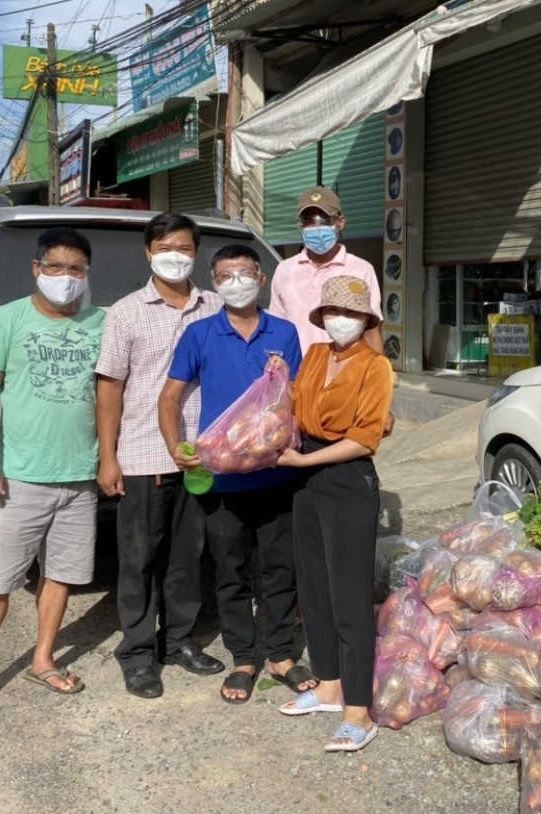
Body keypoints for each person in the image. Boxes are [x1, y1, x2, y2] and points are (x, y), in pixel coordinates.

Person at [0, 227, 102, 719]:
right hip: (21, 476)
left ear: (86, 275)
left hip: (80, 477)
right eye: (55, 267)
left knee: (61, 574)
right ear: (36, 269)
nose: (65, 277)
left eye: (75, 269)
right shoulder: (6, 320)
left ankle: (43, 657)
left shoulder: (102, 322)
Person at [158, 244, 316, 705]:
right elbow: (170, 398)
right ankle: (243, 657)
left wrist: (287, 379)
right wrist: (176, 447)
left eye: (243, 274)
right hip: (223, 479)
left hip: (276, 475)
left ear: (261, 279)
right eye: (225, 276)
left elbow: (299, 398)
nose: (235, 283)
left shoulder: (284, 332)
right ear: (214, 282)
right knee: (229, 572)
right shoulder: (200, 333)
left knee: (280, 568)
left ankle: (282, 655)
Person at [95, 212, 225, 700]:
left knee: (188, 557)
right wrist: (108, 457)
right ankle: (136, 652)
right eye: (166, 247)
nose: (176, 256)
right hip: (145, 454)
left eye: (186, 248)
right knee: (140, 558)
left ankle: (179, 642)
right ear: (148, 253)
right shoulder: (125, 312)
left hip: (201, 456)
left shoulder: (215, 306)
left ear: (197, 253)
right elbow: (109, 388)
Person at [275, 276, 394, 753]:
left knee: (348, 595)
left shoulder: (376, 366)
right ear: (322, 318)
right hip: (307, 481)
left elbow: (365, 438)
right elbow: (298, 408)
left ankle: (359, 711)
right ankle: (327, 685)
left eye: (351, 313)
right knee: (315, 587)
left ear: (366, 320)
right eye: (332, 312)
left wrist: (304, 459)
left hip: (347, 476)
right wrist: (279, 381)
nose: (340, 319)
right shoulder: (317, 356)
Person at [269, 185, 394, 436]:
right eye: (308, 221)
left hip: (344, 383)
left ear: (340, 222)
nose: (316, 228)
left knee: (341, 456)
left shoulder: (361, 269)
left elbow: (371, 334)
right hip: (295, 383)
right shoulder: (285, 270)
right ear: (300, 225)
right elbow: (276, 331)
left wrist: (381, 399)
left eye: (323, 220)